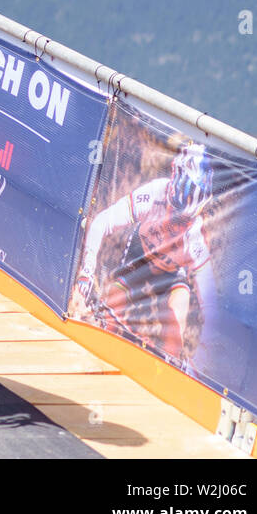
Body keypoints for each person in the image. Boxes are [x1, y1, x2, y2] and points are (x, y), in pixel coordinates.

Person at [73, 142, 216, 367]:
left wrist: (200, 361)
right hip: (140, 256)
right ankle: (95, 361)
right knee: (113, 305)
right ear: (170, 191)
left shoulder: (197, 234)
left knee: (175, 322)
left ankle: (168, 380)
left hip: (172, 271)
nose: (177, 226)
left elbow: (211, 305)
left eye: (185, 221)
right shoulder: (155, 192)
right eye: (176, 214)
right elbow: (102, 222)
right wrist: (87, 272)